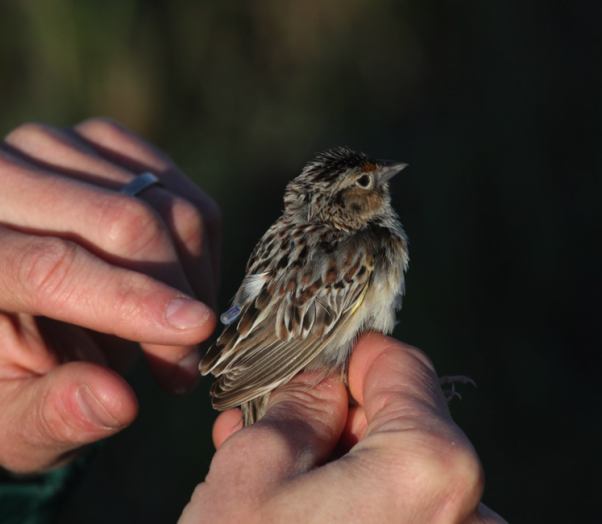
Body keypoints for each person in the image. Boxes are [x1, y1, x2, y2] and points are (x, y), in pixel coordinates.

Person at [0, 118, 505, 523]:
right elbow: (309, 340)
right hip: (275, 362)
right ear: (348, 202)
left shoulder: (305, 239)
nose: (383, 180)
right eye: (368, 181)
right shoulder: (361, 251)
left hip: (254, 350)